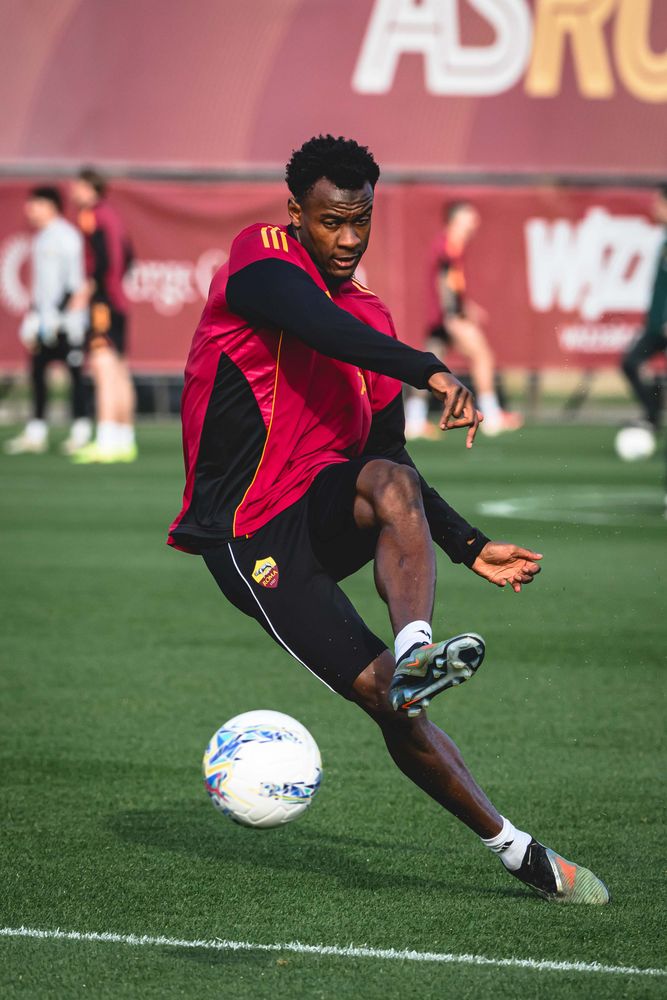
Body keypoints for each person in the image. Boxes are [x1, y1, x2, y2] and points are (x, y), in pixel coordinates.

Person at [169, 136, 608, 905]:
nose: (346, 239)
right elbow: (313, 322)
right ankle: (519, 852)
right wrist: (429, 368)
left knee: (388, 480)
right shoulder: (261, 256)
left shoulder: (369, 315)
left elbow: (393, 465)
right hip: (250, 537)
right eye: (331, 221)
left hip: (323, 512)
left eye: (360, 221)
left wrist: (468, 545)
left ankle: (415, 649)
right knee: (383, 703)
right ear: (296, 214)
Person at [405, 201, 523, 440]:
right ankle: (491, 415)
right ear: (455, 220)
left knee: (429, 365)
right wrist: (454, 314)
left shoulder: (452, 245)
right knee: (482, 355)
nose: (475, 223)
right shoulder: (447, 245)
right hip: (449, 317)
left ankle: (414, 420)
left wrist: (467, 307)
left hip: (442, 315)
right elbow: (444, 282)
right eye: (470, 218)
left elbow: (450, 284)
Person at [4, 186, 91, 456]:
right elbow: (42, 286)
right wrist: (34, 315)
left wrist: (56, 315)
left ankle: (81, 431)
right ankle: (36, 432)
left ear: (51, 206)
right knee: (37, 373)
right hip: (44, 320)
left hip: (69, 322)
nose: (29, 209)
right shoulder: (40, 238)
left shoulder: (68, 237)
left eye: (36, 204)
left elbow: (74, 283)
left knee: (75, 375)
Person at [68, 168, 137, 463]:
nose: (73, 191)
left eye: (78, 185)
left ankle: (107, 439)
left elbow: (102, 260)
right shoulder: (112, 215)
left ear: (89, 189)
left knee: (102, 365)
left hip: (103, 303)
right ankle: (124, 440)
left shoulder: (92, 215)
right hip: (117, 300)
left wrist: (89, 290)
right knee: (120, 368)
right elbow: (128, 255)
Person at [621, 185, 667, 433]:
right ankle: (652, 416)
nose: (654, 209)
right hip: (657, 324)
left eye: (659, 204)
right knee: (631, 362)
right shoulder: (663, 238)